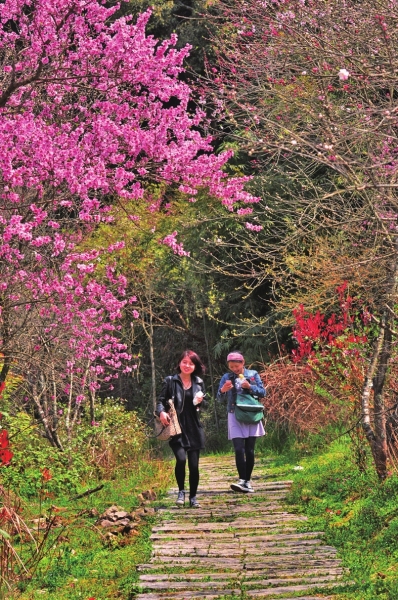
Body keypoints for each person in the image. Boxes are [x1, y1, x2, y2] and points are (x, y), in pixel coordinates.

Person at [157, 350, 206, 508]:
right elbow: (161, 401)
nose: (187, 365)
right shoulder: (170, 381)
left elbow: (202, 406)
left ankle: (193, 497)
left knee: (193, 465)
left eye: (191, 363)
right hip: (176, 428)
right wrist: (161, 412)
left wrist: (199, 402)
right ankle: (181, 492)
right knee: (181, 459)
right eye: (184, 362)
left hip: (193, 427)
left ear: (195, 366)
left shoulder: (198, 382)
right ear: (179, 363)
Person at [217, 351, 266, 493]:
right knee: (239, 449)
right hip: (234, 414)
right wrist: (223, 390)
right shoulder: (227, 377)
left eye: (236, 366)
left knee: (250, 450)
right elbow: (219, 398)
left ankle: (248, 481)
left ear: (243, 363)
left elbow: (263, 392)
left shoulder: (253, 375)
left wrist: (249, 387)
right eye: (231, 367)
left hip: (251, 414)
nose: (234, 369)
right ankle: (242, 480)